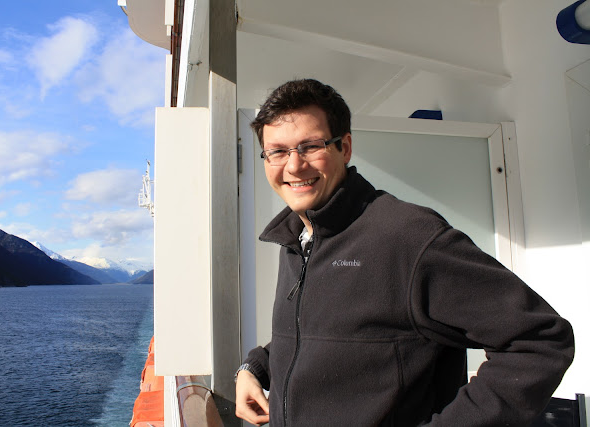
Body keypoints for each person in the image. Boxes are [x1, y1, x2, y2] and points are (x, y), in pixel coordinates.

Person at [234, 79, 574, 426]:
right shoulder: (297, 240)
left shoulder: (408, 238)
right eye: (277, 151)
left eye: (310, 146)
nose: (294, 166)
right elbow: (323, 334)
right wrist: (255, 367)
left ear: (344, 148)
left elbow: (539, 341)